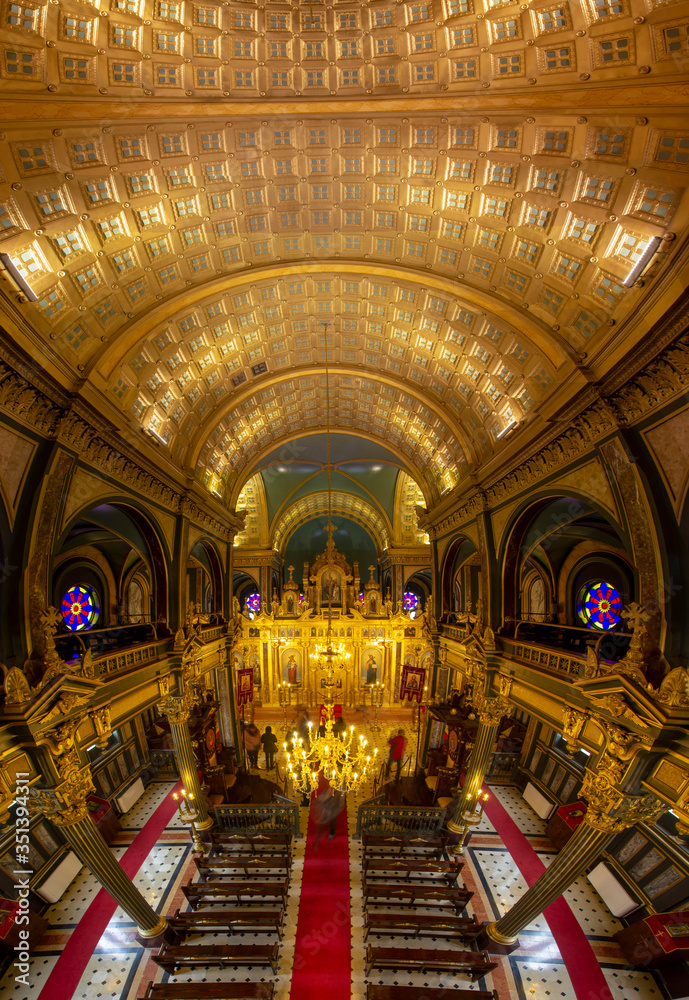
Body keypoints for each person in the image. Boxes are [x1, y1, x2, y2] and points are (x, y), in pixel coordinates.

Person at [313, 783, 344, 850]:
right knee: (320, 825)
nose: (330, 788)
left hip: (333, 810)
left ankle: (332, 833)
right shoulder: (326, 790)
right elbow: (321, 798)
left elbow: (341, 803)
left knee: (332, 822)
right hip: (325, 810)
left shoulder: (339, 793)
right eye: (330, 787)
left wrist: (337, 810)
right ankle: (316, 843)